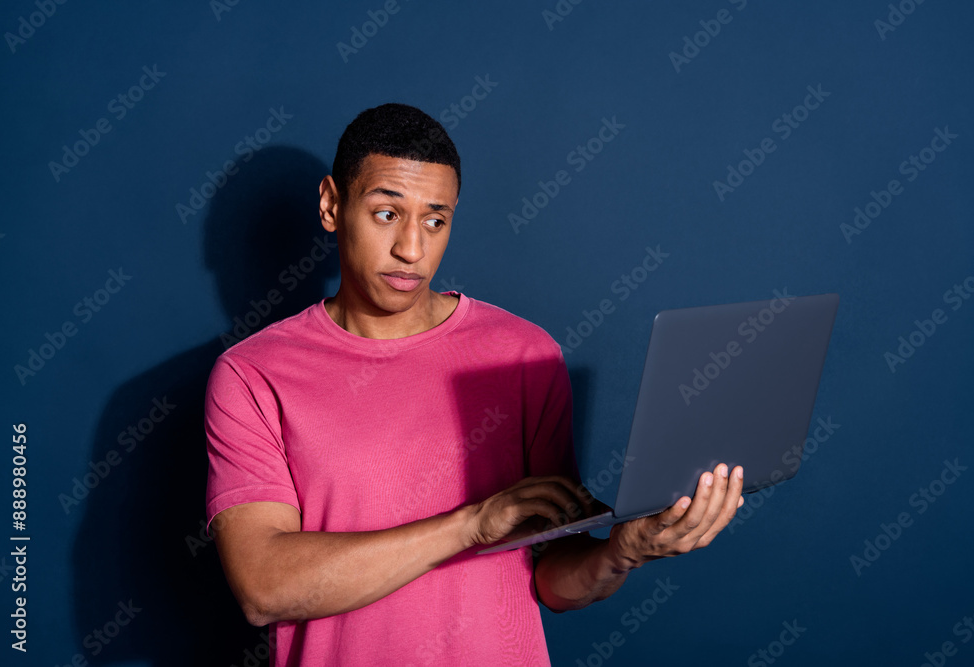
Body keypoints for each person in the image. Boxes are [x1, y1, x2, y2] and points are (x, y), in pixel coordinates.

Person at [205, 103, 745, 666]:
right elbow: (264, 588)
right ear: (331, 205)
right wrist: (472, 524)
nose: (412, 250)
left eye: (435, 221)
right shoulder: (253, 375)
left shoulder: (524, 354)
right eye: (387, 214)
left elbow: (551, 580)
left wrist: (622, 553)